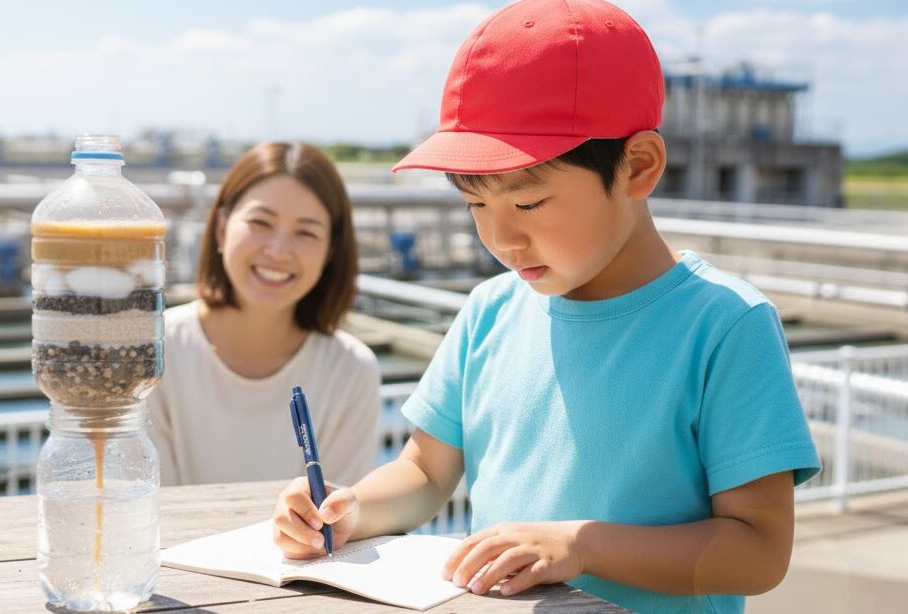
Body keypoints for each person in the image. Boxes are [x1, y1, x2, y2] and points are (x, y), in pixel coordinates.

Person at [271, 1, 821, 612]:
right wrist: (351, 511)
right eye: (477, 207)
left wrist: (580, 546)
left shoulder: (724, 327)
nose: (501, 239)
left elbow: (759, 551)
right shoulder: (489, 311)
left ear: (638, 167)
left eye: (528, 205)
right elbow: (426, 474)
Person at [147, 141, 381, 487]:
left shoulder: (351, 371)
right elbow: (153, 509)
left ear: (331, 251)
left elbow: (338, 524)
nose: (278, 250)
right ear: (222, 227)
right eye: (261, 222)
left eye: (306, 232)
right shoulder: (151, 351)